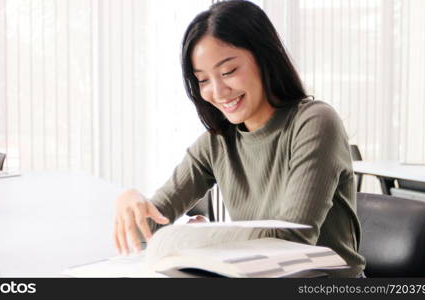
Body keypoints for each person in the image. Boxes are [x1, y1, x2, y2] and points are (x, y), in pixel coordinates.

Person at [113, 0, 365, 277]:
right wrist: (130, 202)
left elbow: (291, 240)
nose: (218, 91)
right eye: (203, 80)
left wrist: (202, 239)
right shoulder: (217, 142)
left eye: (228, 71)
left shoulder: (315, 121)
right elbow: (147, 232)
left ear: (264, 57)